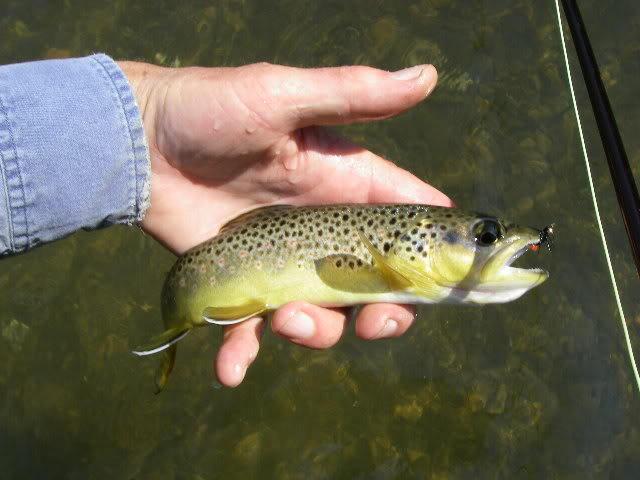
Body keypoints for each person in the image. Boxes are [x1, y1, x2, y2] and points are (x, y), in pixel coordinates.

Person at [0, 54, 452, 387]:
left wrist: (142, 117)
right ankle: (172, 341)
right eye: (484, 236)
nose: (488, 242)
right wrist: (144, 118)